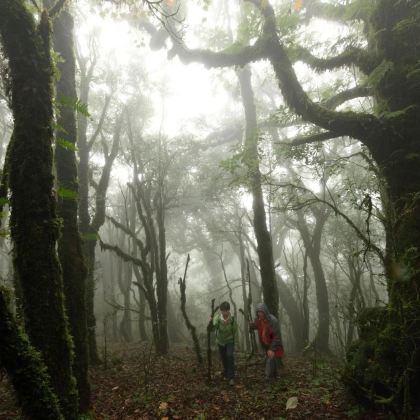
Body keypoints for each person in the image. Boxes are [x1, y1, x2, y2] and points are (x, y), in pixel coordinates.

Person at [250, 302, 284, 382]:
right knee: (272, 359)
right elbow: (256, 325)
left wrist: (272, 348)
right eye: (258, 312)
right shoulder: (259, 320)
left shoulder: (272, 321)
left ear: (265, 311)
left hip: (274, 344)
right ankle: (274, 375)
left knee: (270, 358)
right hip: (266, 344)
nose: (259, 314)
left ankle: (268, 377)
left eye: (261, 312)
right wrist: (252, 325)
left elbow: (275, 336)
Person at [209, 301, 238, 385]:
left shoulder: (232, 319)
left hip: (230, 341)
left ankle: (231, 377)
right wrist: (211, 322)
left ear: (229, 310)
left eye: (226, 310)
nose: (225, 312)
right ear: (221, 311)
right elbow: (214, 327)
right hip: (220, 341)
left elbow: (235, 332)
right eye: (223, 310)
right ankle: (226, 372)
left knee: (229, 356)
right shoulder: (217, 318)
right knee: (224, 358)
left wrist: (236, 343)